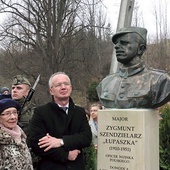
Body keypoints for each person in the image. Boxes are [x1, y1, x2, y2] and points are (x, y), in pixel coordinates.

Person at [29, 72, 92, 170]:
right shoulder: (41, 112)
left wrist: (61, 141)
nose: (63, 87)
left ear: (70, 88)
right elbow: (37, 144)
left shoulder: (80, 112)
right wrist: (66, 155)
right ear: (51, 91)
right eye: (58, 85)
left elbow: (86, 138)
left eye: (66, 84)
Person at [97, 27, 170, 109]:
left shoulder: (160, 81)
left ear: (140, 49)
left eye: (124, 43)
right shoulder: (105, 83)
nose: (116, 46)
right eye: (116, 43)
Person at [0, 98, 33, 170]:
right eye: (7, 113)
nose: (13, 117)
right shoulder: (2, 140)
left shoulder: (21, 136)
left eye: (15, 112)